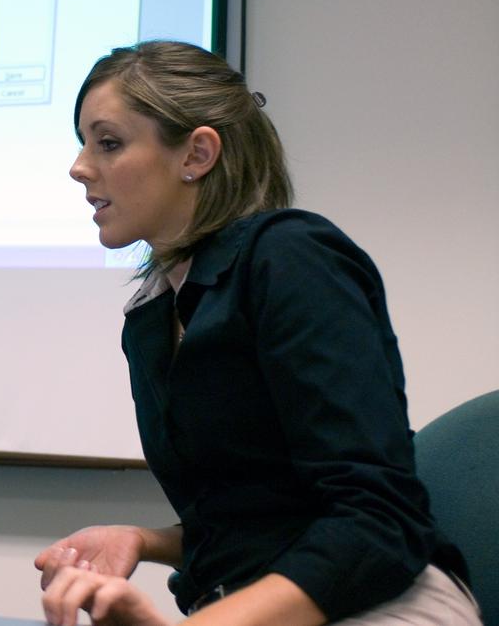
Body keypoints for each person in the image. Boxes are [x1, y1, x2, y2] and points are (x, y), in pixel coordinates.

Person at [35, 41, 480, 625]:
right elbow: (258, 513)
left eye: (108, 142)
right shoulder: (152, 314)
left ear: (197, 153)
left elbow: (378, 524)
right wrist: (143, 539)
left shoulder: (291, 258)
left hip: (382, 605)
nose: (79, 167)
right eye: (82, 143)